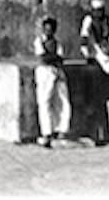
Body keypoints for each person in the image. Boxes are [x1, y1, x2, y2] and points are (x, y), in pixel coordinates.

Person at [33, 16, 71, 147]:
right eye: (46, 29)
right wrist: (54, 58)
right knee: (44, 101)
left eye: (51, 29)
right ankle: (46, 132)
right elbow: (43, 58)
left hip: (57, 71)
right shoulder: (39, 41)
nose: (48, 32)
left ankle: (61, 129)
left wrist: (54, 59)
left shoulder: (58, 43)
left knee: (62, 101)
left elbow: (60, 58)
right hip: (44, 72)